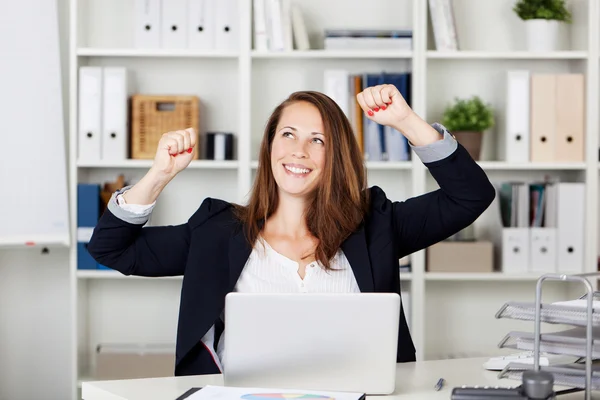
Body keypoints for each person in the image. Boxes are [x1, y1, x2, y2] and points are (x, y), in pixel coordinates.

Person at [87, 84, 496, 377]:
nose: (299, 150)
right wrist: (158, 176)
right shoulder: (215, 231)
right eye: (288, 134)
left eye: (317, 140)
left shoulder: (375, 223)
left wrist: (406, 121)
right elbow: (110, 249)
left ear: (335, 156)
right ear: (269, 147)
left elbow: (471, 196)